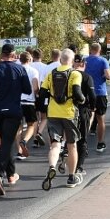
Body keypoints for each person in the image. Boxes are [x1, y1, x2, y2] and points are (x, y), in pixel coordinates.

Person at [0, 44, 32, 195]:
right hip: (14, 110)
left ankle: (11, 175)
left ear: (1, 54)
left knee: (6, 143)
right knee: (7, 143)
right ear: (14, 54)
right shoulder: (20, 69)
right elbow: (28, 89)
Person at [39, 49, 86, 190]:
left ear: (60, 60)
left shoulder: (51, 74)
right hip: (69, 113)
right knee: (72, 145)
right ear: (72, 61)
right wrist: (82, 100)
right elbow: (77, 92)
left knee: (55, 143)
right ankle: (71, 177)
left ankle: (52, 166)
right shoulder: (75, 74)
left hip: (53, 113)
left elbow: (42, 94)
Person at [84, 42, 110, 153]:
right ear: (99, 50)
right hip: (100, 92)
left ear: (90, 50)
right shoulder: (103, 61)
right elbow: (108, 76)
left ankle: (83, 143)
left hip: (87, 92)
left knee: (88, 118)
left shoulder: (85, 60)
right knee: (101, 119)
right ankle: (100, 143)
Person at [71, 54, 96, 173]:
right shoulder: (87, 77)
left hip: (68, 110)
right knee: (82, 139)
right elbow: (92, 95)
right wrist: (93, 107)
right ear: (83, 63)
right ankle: (79, 167)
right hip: (82, 110)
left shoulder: (69, 75)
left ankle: (66, 158)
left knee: (71, 140)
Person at [17, 51, 40, 160]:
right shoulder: (33, 71)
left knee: (18, 127)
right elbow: (35, 87)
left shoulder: (16, 69)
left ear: (20, 59)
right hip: (29, 102)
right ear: (30, 60)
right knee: (31, 125)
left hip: (17, 102)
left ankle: (19, 151)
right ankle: (24, 141)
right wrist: (36, 95)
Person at [30, 48, 49, 148]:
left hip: (30, 95)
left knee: (35, 118)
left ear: (32, 56)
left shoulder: (29, 66)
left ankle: (34, 139)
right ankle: (39, 133)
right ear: (41, 56)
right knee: (44, 117)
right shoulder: (45, 67)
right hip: (42, 93)